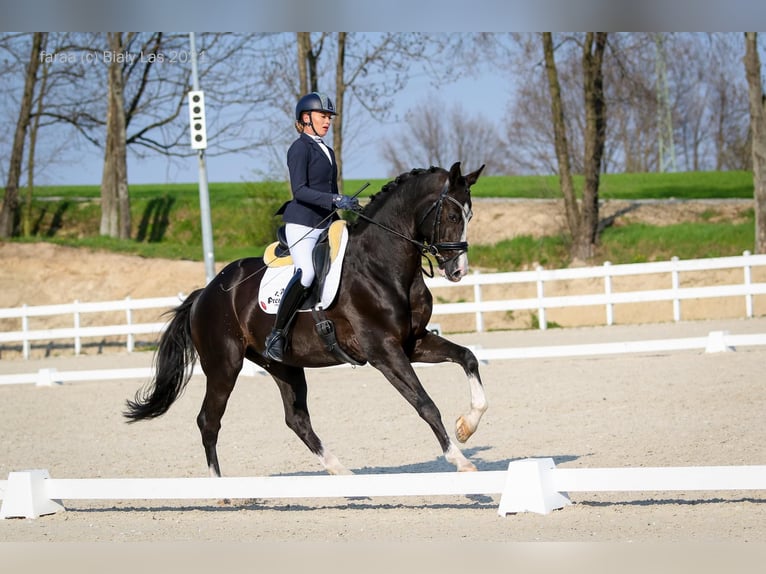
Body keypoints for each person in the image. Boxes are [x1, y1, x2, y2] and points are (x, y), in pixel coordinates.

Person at [263, 91, 360, 362]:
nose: (327, 121)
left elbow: (331, 190)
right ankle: (276, 335)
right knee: (306, 273)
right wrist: (335, 199)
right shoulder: (299, 148)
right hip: (302, 223)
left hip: (327, 222)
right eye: (322, 116)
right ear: (306, 119)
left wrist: (346, 205)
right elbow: (301, 191)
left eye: (329, 117)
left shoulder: (327, 151)